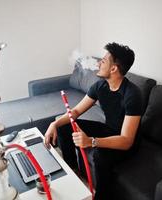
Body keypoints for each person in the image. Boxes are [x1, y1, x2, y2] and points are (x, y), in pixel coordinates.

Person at [44, 42, 142, 200]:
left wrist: (91, 141)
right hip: (109, 129)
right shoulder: (100, 86)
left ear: (114, 68)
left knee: (100, 155)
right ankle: (73, 172)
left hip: (125, 142)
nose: (98, 63)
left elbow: (126, 140)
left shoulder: (133, 95)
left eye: (103, 61)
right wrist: (54, 124)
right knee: (65, 127)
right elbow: (75, 112)